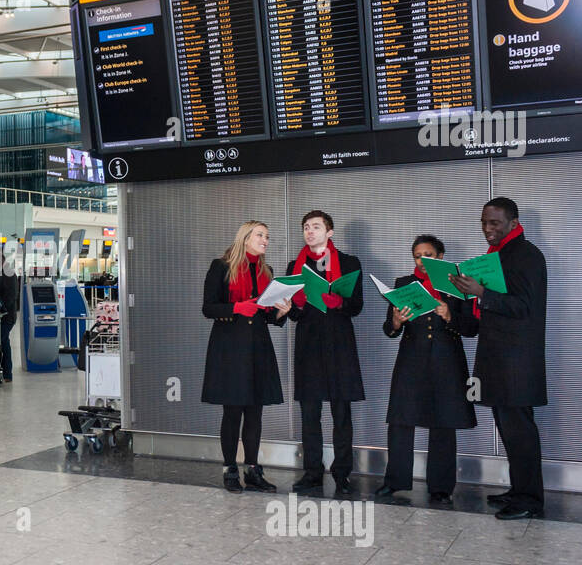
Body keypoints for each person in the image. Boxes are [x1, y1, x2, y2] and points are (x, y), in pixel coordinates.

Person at [452, 197, 548, 520]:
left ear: (512, 221)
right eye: (483, 222)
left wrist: (481, 293)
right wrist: (465, 292)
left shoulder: (527, 255)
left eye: (494, 223)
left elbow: (523, 306)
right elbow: (490, 310)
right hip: (497, 358)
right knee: (508, 429)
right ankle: (519, 491)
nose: (487, 229)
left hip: (517, 361)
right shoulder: (496, 256)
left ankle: (531, 500)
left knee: (520, 430)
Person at [375, 234, 478, 504]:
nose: (422, 261)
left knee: (443, 422)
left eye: (428, 255)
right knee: (401, 420)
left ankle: (441, 487)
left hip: (447, 361)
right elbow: (389, 330)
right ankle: (394, 481)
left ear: (441, 257)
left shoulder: (458, 284)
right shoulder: (403, 284)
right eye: (417, 256)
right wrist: (396, 321)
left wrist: (450, 316)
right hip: (411, 359)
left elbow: (472, 328)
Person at [202, 221, 293, 493]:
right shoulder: (221, 267)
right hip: (229, 347)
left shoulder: (268, 272)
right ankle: (230, 468)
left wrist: (282, 311)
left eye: (267, 236)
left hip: (258, 347)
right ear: (245, 237)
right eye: (260, 235)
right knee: (232, 411)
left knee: (255, 411)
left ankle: (252, 470)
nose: (266, 240)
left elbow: (267, 316)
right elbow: (208, 308)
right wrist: (237, 307)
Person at [286, 210, 365, 496]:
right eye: (306, 227)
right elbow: (293, 313)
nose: (309, 231)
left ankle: (342, 474)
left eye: (316, 227)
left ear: (329, 232)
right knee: (310, 414)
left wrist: (338, 303)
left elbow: (357, 306)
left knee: (341, 413)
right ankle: (312, 473)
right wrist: (291, 307)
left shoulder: (348, 262)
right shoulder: (295, 266)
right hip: (308, 346)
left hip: (339, 345)